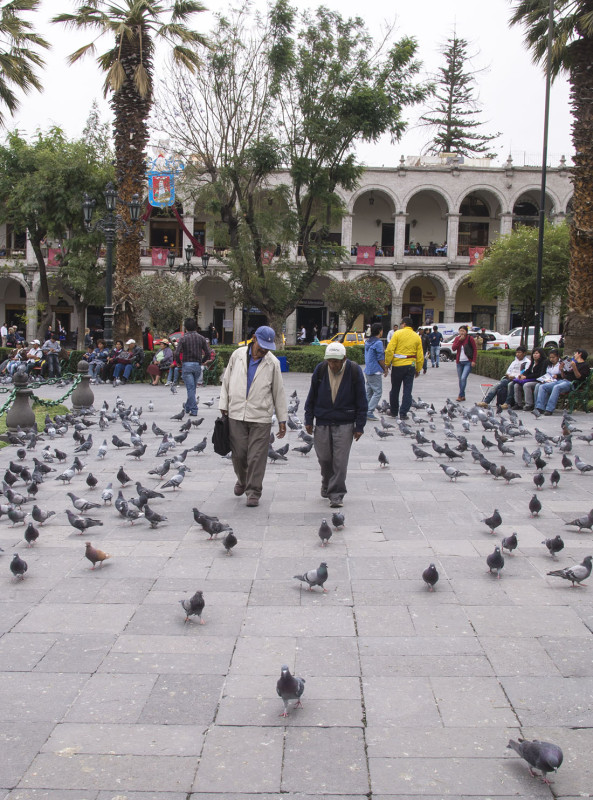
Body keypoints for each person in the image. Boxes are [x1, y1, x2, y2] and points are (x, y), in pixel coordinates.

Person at [219, 325, 287, 507]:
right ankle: (242, 480)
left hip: (260, 416)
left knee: (256, 456)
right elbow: (226, 380)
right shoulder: (237, 355)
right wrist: (223, 405)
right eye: (261, 346)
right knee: (239, 454)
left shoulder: (273, 363)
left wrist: (282, 419)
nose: (263, 350)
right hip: (236, 413)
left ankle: (254, 491)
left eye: (267, 347)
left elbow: (278, 392)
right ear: (254, 338)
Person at [304, 341, 367, 508]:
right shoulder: (321, 369)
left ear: (344, 359)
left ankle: (336, 494)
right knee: (324, 458)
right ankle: (327, 481)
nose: (332, 364)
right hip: (323, 420)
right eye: (330, 361)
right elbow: (312, 395)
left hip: (345, 422)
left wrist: (360, 425)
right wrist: (308, 418)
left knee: (340, 461)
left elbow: (362, 399)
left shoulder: (354, 371)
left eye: (336, 361)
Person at [384, 317, 424, 419]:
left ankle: (393, 411)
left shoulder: (397, 334)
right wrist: (418, 369)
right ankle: (403, 413)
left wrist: (387, 364)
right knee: (407, 390)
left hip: (398, 366)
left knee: (395, 389)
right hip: (410, 366)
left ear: (404, 324)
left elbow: (389, 350)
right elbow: (420, 355)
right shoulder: (416, 336)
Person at [534, 349, 590, 417]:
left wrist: (574, 367)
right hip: (563, 381)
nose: (574, 355)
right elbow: (564, 376)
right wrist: (561, 369)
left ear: (580, 354)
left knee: (556, 387)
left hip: (572, 383)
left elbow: (579, 377)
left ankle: (549, 409)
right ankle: (539, 407)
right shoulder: (572, 363)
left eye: (576, 353)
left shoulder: (585, 365)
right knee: (542, 386)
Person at [174, 318, 213, 415]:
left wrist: (179, 362)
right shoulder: (201, 338)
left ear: (185, 328)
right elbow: (208, 353)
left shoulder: (183, 338)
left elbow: (176, 353)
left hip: (187, 365)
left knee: (190, 388)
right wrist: (202, 361)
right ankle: (187, 407)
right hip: (197, 365)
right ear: (195, 327)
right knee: (192, 388)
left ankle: (194, 409)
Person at [476, 345, 530, 410]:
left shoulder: (527, 362)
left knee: (507, 384)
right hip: (509, 378)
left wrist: (515, 377)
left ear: (524, 353)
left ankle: (507, 403)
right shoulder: (514, 362)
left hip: (518, 379)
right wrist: (509, 375)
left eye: (519, 352)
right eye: (517, 352)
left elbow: (525, 373)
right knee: (496, 385)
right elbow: (508, 371)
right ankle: (486, 401)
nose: (517, 354)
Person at [364, 322, 387, 421]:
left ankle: (364, 410)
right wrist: (385, 368)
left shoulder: (368, 341)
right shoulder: (378, 342)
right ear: (379, 331)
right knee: (377, 392)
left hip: (368, 369)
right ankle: (369, 412)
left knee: (369, 392)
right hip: (375, 370)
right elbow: (380, 358)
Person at [451, 325, 477, 402]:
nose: (461, 332)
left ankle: (460, 395)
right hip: (459, 362)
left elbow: (475, 349)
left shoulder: (470, 338)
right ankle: (463, 395)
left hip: (467, 362)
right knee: (460, 379)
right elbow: (453, 348)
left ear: (466, 332)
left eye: (463, 331)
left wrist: (473, 360)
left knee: (463, 378)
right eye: (460, 331)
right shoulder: (457, 338)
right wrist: (459, 340)